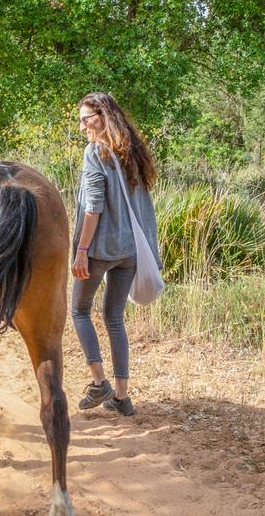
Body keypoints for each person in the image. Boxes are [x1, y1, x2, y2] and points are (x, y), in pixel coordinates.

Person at [71, 92, 160, 417]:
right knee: (114, 317)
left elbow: (93, 208)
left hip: (102, 248)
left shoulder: (96, 152)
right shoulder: (133, 152)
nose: (82, 127)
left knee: (79, 311)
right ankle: (122, 397)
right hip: (132, 250)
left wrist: (82, 250)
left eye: (86, 119)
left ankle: (99, 383)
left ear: (102, 116)